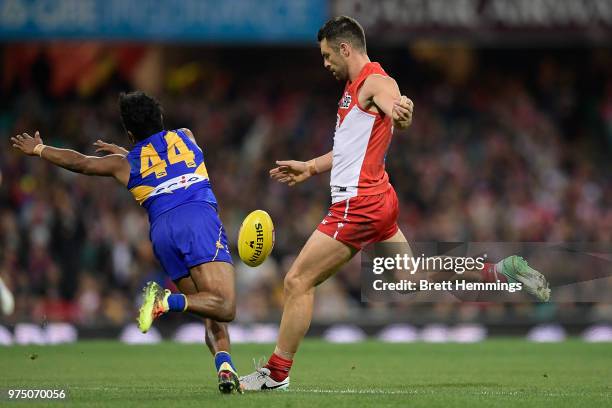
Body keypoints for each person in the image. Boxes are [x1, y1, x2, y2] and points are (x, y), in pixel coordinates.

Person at [239, 16, 550, 391]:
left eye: (326, 55)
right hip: (379, 199)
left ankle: (276, 374)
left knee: (297, 280)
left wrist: (402, 112)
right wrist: (310, 167)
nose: (324, 64)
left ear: (344, 48)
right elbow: (348, 150)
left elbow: (395, 106)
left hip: (360, 204)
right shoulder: (355, 89)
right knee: (410, 277)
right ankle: (500, 271)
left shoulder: (375, 81)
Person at [11, 91, 242, 394]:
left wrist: (40, 148)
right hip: (196, 219)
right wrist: (130, 150)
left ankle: (225, 368)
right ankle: (165, 301)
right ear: (160, 118)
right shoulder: (186, 135)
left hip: (162, 231)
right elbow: (166, 160)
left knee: (208, 307)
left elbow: (81, 163)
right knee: (224, 305)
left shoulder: (123, 164)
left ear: (131, 134)